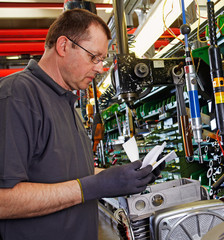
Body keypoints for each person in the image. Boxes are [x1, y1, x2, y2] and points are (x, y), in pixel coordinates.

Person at [0, 9, 163, 240]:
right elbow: (4, 200)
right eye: (93, 57)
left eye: (102, 60)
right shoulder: (17, 95)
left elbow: (65, 174)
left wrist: (125, 178)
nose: (100, 68)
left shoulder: (69, 104)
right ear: (64, 46)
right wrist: (93, 186)